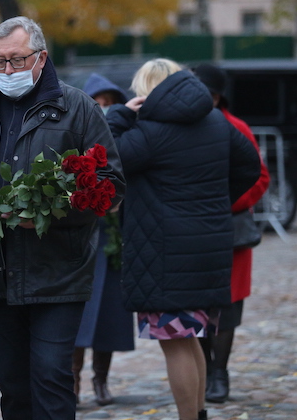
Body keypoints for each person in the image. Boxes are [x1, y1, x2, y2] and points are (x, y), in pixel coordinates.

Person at [0, 16, 125, 420]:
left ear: (40, 57)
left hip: (58, 269)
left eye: (16, 60)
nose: (7, 71)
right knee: (13, 383)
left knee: (51, 375)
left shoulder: (77, 107)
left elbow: (110, 184)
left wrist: (55, 210)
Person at [105, 58, 261, 420]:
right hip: (208, 247)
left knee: (175, 343)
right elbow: (250, 165)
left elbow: (109, 159)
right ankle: (200, 413)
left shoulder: (149, 133)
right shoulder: (217, 122)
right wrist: (217, 202)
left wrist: (118, 115)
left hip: (164, 254)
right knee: (191, 339)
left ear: (146, 93)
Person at [192, 63, 271, 404]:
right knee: (197, 304)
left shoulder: (236, 128)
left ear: (216, 96)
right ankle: (206, 370)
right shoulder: (183, 127)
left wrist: (223, 204)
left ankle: (219, 372)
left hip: (230, 228)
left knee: (227, 306)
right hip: (191, 232)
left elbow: (259, 177)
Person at [72, 73, 134, 406]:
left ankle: (101, 380)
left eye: (111, 102)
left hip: (114, 234)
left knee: (110, 312)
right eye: (99, 101)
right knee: (78, 312)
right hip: (83, 232)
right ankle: (73, 382)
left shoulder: (125, 135)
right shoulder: (74, 129)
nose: (105, 108)